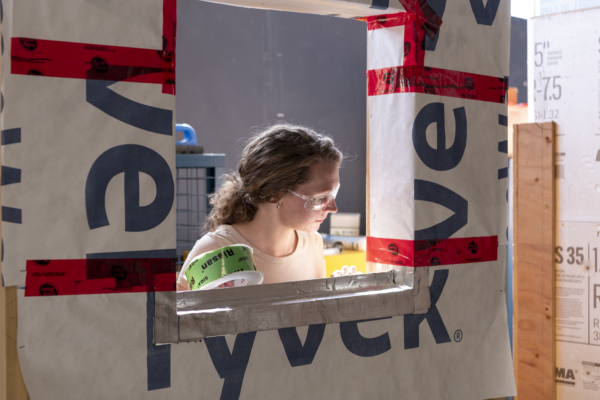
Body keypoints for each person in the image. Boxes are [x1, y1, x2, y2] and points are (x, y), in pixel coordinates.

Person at [176, 124, 356, 291]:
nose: (333, 208)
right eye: (320, 198)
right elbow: (174, 323)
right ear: (274, 192)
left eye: (334, 194)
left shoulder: (313, 244)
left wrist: (333, 294)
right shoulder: (216, 251)